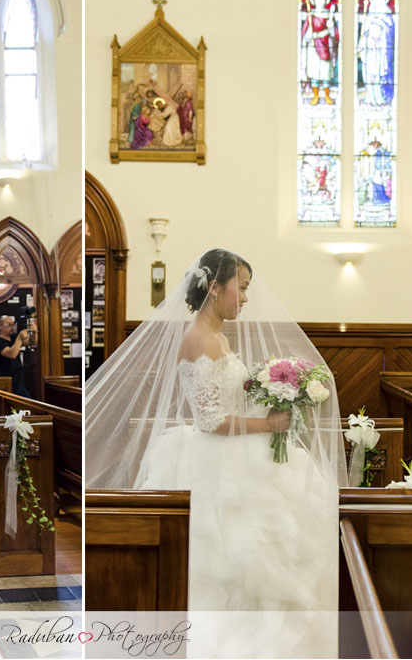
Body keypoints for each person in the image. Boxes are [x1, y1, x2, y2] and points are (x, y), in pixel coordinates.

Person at [86, 249, 355, 658]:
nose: (245, 298)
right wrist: (268, 424)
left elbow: (230, 400)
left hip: (240, 453)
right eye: (241, 288)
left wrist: (274, 392)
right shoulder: (197, 340)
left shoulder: (219, 338)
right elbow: (210, 420)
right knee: (234, 562)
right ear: (215, 288)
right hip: (217, 464)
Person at [0, 315, 36, 398]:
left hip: (18, 380)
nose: (12, 327)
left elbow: (32, 342)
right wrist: (19, 338)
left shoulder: (14, 338)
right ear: (0, 326)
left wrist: (35, 332)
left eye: (13, 324)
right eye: (9, 325)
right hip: (7, 381)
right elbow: (11, 354)